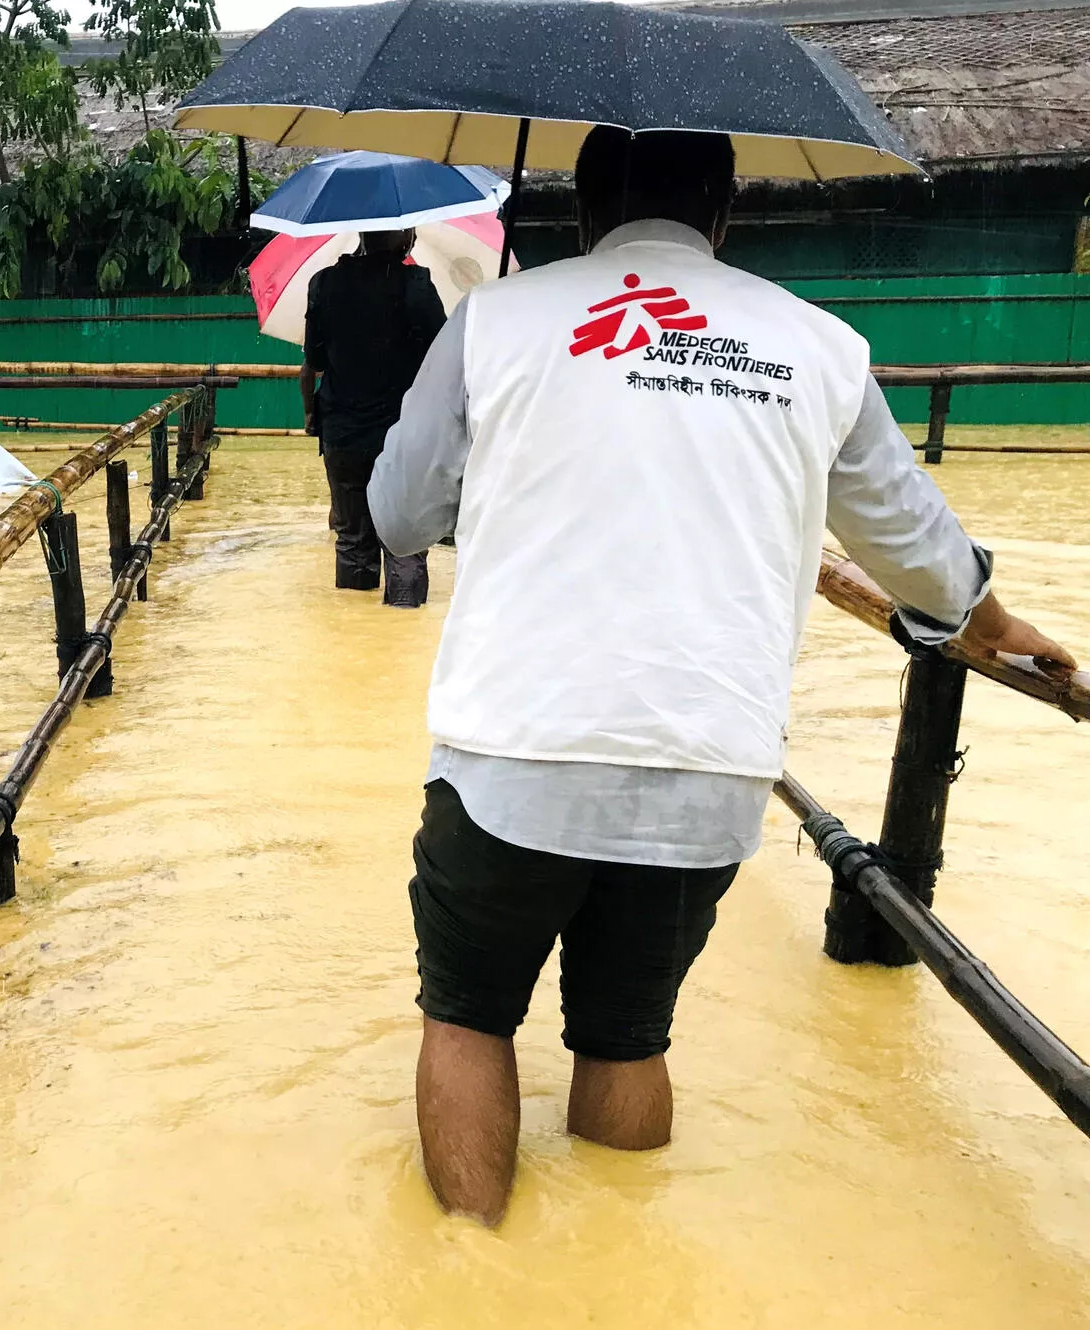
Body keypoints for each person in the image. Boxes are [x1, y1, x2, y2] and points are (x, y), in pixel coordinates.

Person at [366, 126, 1076, 1226]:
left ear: (584, 207)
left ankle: (473, 1287)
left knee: (468, 1018)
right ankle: (617, 1293)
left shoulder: (495, 319)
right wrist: (991, 621)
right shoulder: (817, 346)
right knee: (626, 1035)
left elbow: (397, 516)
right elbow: (914, 547)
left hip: (513, 750)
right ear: (724, 209)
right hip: (708, 767)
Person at [300, 228, 447, 605]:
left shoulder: (324, 284)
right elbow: (444, 355)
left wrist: (310, 415)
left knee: (352, 541)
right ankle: (400, 635)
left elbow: (312, 363)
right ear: (404, 239)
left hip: (342, 432)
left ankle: (354, 639)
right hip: (403, 434)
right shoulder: (415, 284)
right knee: (406, 542)